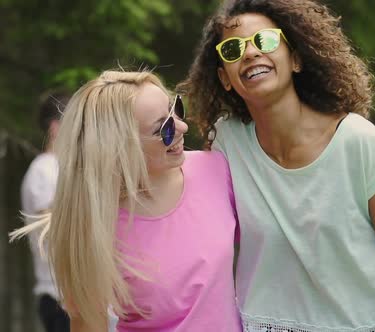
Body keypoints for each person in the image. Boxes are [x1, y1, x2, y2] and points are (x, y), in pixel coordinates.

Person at [178, 0, 375, 331]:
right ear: (225, 78)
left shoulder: (358, 142)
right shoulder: (226, 144)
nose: (250, 54)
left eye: (265, 40)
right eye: (233, 49)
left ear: (295, 58)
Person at [11, 70, 241, 332]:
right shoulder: (97, 226)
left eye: (175, 109)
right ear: (122, 146)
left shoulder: (217, 170)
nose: (182, 127)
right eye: (163, 129)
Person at [20, 91, 70, 332]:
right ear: (56, 127)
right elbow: (53, 229)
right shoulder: (44, 170)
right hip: (60, 300)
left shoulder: (62, 168)